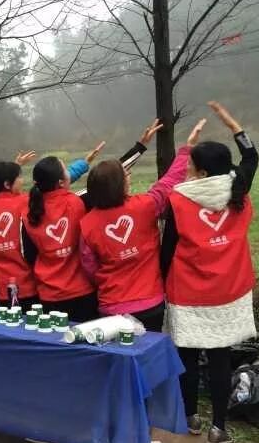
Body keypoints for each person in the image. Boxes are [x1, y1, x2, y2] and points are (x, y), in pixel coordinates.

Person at [161, 101, 259, 443]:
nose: (186, 169)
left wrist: (162, 283)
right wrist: (233, 125)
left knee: (187, 356)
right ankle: (219, 428)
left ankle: (190, 416)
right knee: (220, 359)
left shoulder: (178, 200)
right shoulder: (238, 191)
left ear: (201, 173)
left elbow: (168, 250)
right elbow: (251, 158)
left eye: (190, 164)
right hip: (229, 291)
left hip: (188, 291)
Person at [79, 118, 190, 331]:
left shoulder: (87, 224)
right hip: (150, 302)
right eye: (125, 176)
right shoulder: (145, 206)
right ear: (118, 185)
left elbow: (90, 267)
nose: (129, 177)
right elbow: (168, 183)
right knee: (149, 349)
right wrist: (185, 153)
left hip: (111, 305)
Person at [0, 150, 100, 309]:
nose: (22, 180)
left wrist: (12, 168)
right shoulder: (26, 204)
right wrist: (83, 165)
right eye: (19, 177)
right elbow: (51, 189)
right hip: (27, 288)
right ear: (7, 184)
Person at [21, 157, 98, 322]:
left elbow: (29, 255)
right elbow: (107, 182)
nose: (69, 172)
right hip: (82, 291)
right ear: (61, 182)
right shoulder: (77, 202)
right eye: (66, 170)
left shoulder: (28, 212)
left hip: (48, 295)